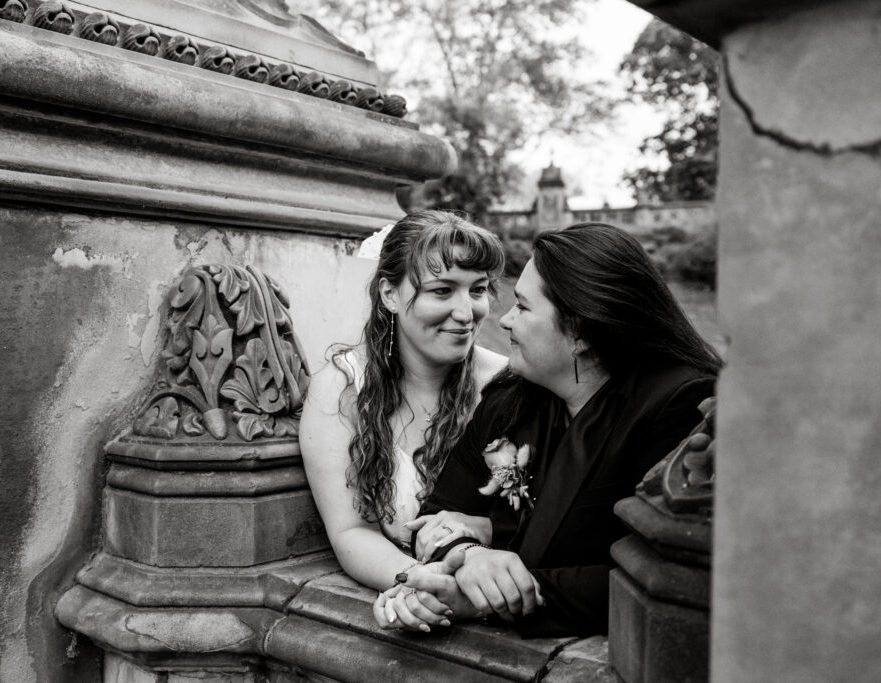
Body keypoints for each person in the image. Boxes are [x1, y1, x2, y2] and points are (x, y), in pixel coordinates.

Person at [375, 222, 722, 636]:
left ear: (580, 329)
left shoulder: (680, 406)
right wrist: (468, 556)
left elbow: (654, 572)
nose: (504, 321)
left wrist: (483, 598)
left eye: (522, 306)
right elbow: (435, 516)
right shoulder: (511, 398)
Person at [299, 210, 507, 630]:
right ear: (390, 294)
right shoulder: (342, 391)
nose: (466, 312)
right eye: (443, 290)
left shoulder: (507, 384)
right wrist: (413, 578)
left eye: (478, 290)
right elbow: (350, 532)